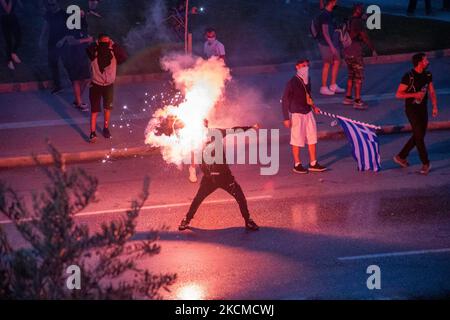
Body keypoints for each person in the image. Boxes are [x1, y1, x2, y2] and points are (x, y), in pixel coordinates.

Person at [179, 121, 260, 232]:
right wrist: (192, 170)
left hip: (224, 176)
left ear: (206, 125)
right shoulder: (196, 139)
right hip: (209, 178)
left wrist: (250, 127)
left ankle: (248, 220)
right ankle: (187, 219)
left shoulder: (216, 132)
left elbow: (234, 130)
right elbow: (193, 153)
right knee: (198, 199)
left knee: (240, 197)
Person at [393, 53, 438, 175]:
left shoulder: (428, 74)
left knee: (419, 136)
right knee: (419, 136)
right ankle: (426, 163)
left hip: (423, 110)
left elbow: (432, 91)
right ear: (420, 62)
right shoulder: (409, 76)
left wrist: (434, 106)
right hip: (412, 110)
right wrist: (414, 94)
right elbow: (398, 94)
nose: (427, 61)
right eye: (425, 60)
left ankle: (401, 156)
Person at [282, 59, 328, 174]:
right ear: (297, 67)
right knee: (297, 139)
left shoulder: (308, 80)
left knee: (312, 137)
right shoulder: (292, 82)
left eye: (307, 65)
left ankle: (313, 163)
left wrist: (314, 107)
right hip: (297, 114)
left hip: (308, 112)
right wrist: (286, 118)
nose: (306, 68)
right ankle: (297, 164)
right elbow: (285, 100)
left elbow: (308, 96)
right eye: (303, 66)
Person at [86, 33, 127, 143]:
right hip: (95, 85)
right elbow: (88, 49)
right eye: (103, 42)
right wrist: (96, 43)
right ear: (99, 42)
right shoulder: (94, 53)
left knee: (107, 109)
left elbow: (124, 57)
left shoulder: (113, 53)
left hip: (108, 86)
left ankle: (106, 128)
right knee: (94, 110)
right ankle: (92, 132)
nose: (105, 45)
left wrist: (114, 45)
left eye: (107, 42)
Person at [342, 3, 377, 110]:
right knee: (359, 77)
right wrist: (373, 49)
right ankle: (357, 101)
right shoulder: (358, 22)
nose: (364, 11)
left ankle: (348, 97)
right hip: (355, 51)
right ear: (358, 10)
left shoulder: (348, 20)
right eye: (362, 10)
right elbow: (364, 36)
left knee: (351, 75)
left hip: (347, 51)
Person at [59, 9, 93, 111]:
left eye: (82, 13)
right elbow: (71, 41)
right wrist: (87, 40)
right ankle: (79, 103)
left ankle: (77, 100)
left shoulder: (83, 26)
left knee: (86, 78)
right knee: (76, 79)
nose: (82, 14)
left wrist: (89, 41)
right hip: (74, 56)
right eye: (80, 13)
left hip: (83, 55)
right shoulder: (70, 27)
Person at [39, 0, 69, 94]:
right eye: (49, 5)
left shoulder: (64, 14)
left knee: (67, 64)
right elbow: (45, 26)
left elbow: (70, 30)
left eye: (53, 4)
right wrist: (41, 39)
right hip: (52, 43)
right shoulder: (49, 14)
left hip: (63, 43)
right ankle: (58, 86)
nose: (51, 7)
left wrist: (62, 40)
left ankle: (75, 82)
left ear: (58, 3)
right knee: (53, 64)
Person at [316, 0, 345, 96]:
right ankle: (323, 87)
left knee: (337, 61)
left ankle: (333, 85)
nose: (337, 1)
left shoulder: (329, 12)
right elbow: (325, 32)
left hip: (333, 42)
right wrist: (332, 46)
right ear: (331, 2)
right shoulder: (325, 15)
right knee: (327, 63)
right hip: (326, 44)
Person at [0, 0, 22, 70]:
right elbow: (7, 10)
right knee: (8, 41)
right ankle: (9, 61)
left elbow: (20, 5)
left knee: (19, 37)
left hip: (13, 17)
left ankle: (13, 53)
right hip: (5, 19)